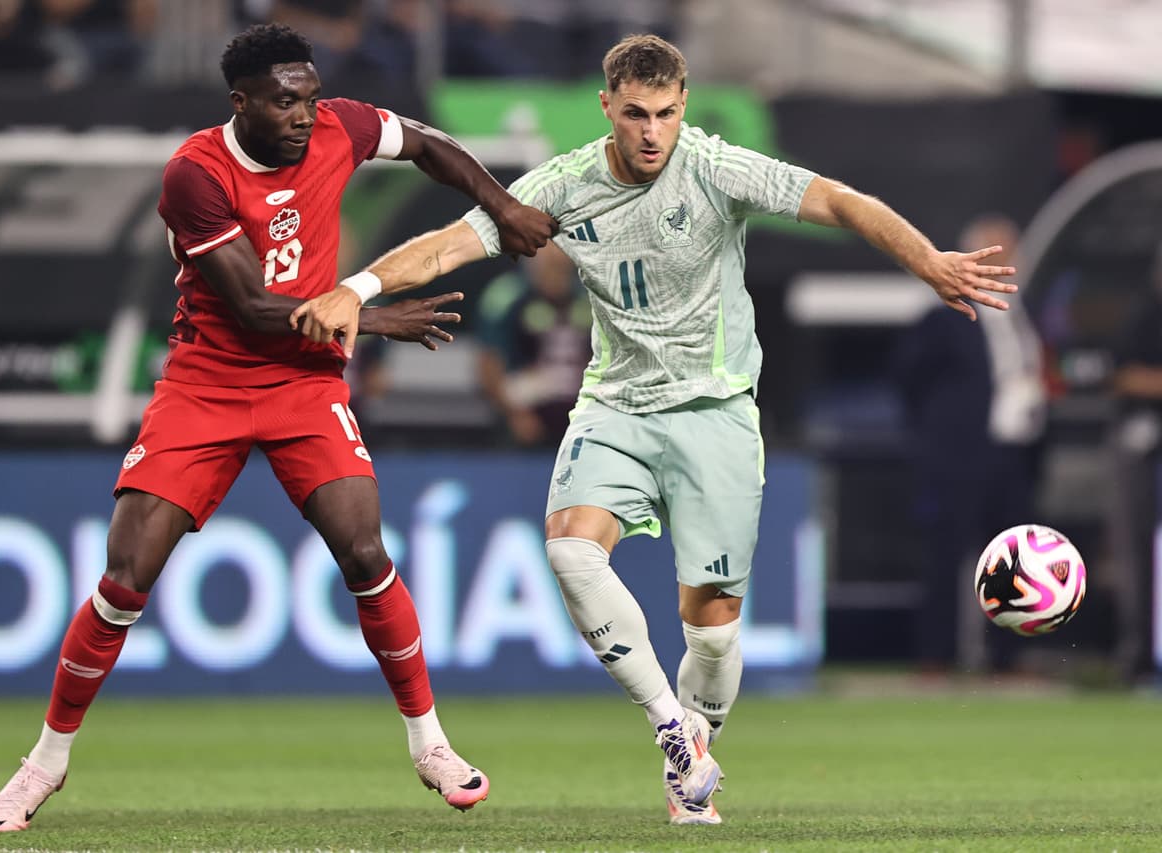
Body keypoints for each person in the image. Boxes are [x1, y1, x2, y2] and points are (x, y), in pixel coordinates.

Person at [293, 34, 1018, 825]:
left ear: (683, 109)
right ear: (607, 107)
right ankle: (672, 729)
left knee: (710, 628)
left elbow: (843, 202)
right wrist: (357, 289)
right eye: (635, 113)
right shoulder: (564, 187)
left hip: (716, 412)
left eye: (666, 114)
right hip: (617, 406)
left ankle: (690, 755)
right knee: (570, 549)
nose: (650, 132)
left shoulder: (715, 168)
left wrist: (929, 262)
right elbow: (446, 248)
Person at [0, 22, 556, 833]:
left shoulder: (339, 125)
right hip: (208, 382)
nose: (303, 117)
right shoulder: (196, 173)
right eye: (284, 102)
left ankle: (430, 743)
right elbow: (251, 309)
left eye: (310, 98)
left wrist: (501, 202)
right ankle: (45, 761)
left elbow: (426, 143)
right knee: (124, 576)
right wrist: (373, 316)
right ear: (240, 102)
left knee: (365, 550)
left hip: (304, 383)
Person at [892, 214, 1046, 675]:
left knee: (1013, 561)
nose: (1004, 265)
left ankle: (1007, 659)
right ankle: (937, 656)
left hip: (1013, 455)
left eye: (1009, 254)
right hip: (958, 458)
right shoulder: (946, 317)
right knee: (947, 555)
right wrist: (939, 434)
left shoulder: (1024, 317)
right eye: (992, 255)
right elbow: (908, 378)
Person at [1107, 243, 1162, 679]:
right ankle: (1139, 655)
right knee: (1136, 555)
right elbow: (1122, 375)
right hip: (1143, 447)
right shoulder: (1145, 316)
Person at [476, 242, 592, 447]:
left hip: (580, 412)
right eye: (547, 246)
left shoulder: (590, 296)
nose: (554, 254)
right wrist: (515, 415)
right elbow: (488, 363)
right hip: (524, 409)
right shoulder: (506, 296)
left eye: (560, 245)